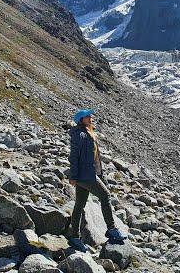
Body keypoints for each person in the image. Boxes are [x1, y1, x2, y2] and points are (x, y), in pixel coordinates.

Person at [67, 108, 126, 252]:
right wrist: (73, 176)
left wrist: (101, 174)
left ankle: (74, 237)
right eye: (87, 116)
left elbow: (95, 157)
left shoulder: (90, 133)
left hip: (90, 174)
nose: (90, 117)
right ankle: (111, 229)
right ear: (81, 120)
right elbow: (74, 156)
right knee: (105, 196)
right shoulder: (80, 135)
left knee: (79, 205)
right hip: (84, 175)